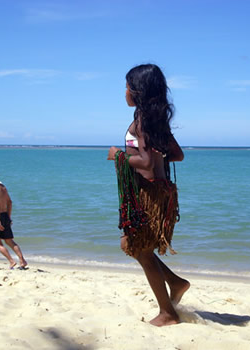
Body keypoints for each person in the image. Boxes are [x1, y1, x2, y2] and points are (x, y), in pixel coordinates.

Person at [107, 64, 190, 327]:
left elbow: (143, 162)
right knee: (133, 246)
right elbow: (176, 154)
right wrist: (157, 156)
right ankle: (176, 283)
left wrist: (118, 156)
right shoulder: (155, 120)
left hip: (148, 195)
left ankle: (168, 313)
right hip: (161, 193)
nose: (125, 92)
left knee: (138, 249)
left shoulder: (142, 122)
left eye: (128, 86)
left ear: (138, 91)